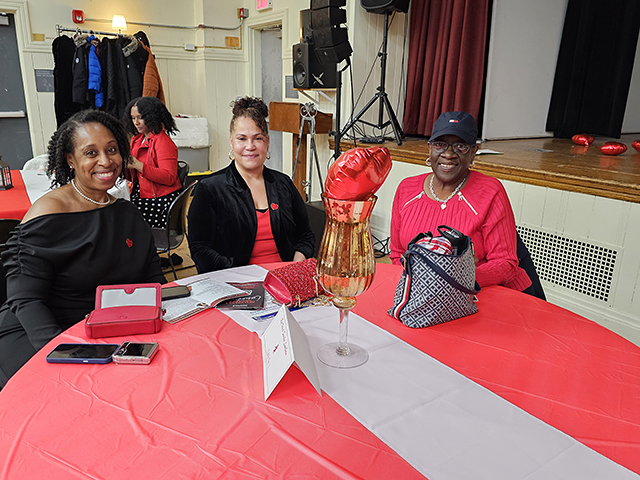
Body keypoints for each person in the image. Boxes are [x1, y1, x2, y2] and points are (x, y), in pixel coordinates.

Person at [0, 110, 165, 389]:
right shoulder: (49, 213)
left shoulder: (128, 213)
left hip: (106, 330)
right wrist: (68, 353)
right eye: (91, 153)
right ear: (70, 160)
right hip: (42, 333)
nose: (106, 161)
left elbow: (154, 282)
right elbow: (26, 301)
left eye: (112, 150)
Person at [390, 111, 532, 292]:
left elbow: (506, 263)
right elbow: (397, 254)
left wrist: (455, 279)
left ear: (473, 152)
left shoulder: (490, 191)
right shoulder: (406, 189)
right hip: (421, 294)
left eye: (460, 146)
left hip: (482, 292)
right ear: (430, 148)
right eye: (440, 145)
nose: (448, 154)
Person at [188, 96, 315, 273]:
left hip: (285, 275)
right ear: (231, 142)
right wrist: (239, 274)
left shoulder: (283, 183)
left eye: (258, 138)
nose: (250, 146)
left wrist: (294, 267)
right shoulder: (210, 188)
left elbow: (305, 235)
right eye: (242, 139)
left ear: (267, 142)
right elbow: (200, 249)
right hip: (234, 279)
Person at [122, 96, 182, 228]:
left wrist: (138, 165)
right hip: (142, 193)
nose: (136, 122)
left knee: (122, 215)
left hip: (160, 199)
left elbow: (169, 177)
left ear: (152, 117)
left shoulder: (163, 141)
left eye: (140, 117)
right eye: (133, 118)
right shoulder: (137, 140)